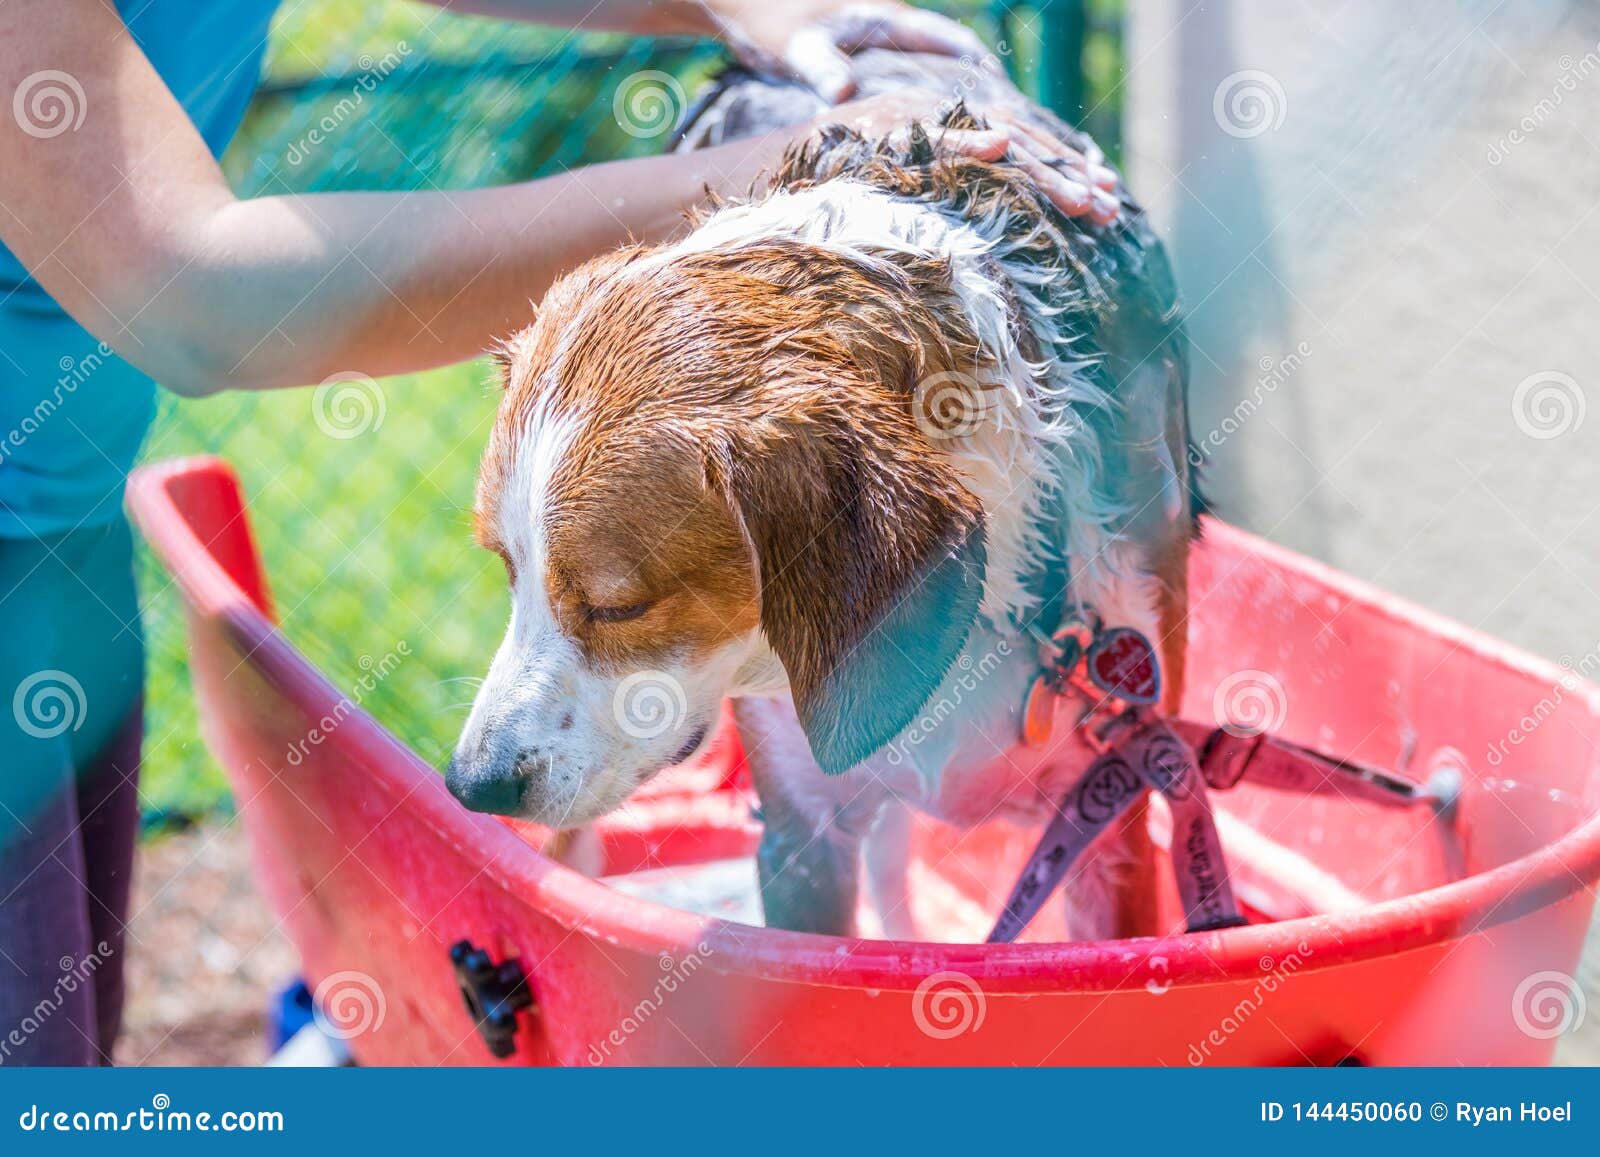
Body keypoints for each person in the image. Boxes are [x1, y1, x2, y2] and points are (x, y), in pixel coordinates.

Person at [0, 0, 1116, 1065]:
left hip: (59, 518)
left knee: (66, 1039)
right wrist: (763, 170)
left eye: (616, 600)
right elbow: (197, 299)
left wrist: (740, 7)